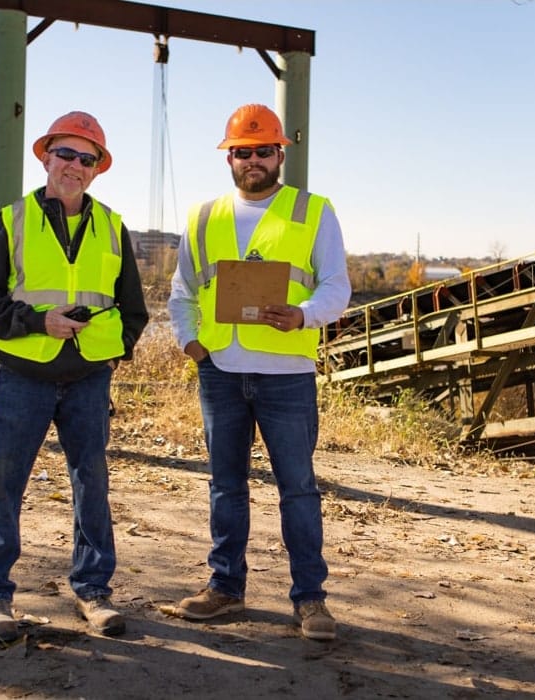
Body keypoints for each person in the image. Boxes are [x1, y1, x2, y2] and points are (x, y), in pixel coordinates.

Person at [166, 103, 352, 641]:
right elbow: (183, 292)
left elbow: (336, 285)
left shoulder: (313, 211)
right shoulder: (203, 217)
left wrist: (303, 315)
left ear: (280, 155)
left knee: (298, 489)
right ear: (229, 157)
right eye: (242, 152)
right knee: (227, 488)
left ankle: (311, 601)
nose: (253, 160)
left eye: (263, 151)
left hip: (286, 374)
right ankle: (225, 588)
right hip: (220, 371)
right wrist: (192, 344)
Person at [0, 111, 149, 641]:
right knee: (4, 483)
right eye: (65, 153)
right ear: (46, 157)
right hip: (23, 375)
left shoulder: (113, 227)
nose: (74, 165)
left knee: (92, 483)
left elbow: (133, 311)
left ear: (96, 169)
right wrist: (36, 322)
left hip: (88, 380)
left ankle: (93, 592)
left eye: (86, 158)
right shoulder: (13, 220)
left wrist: (106, 355)